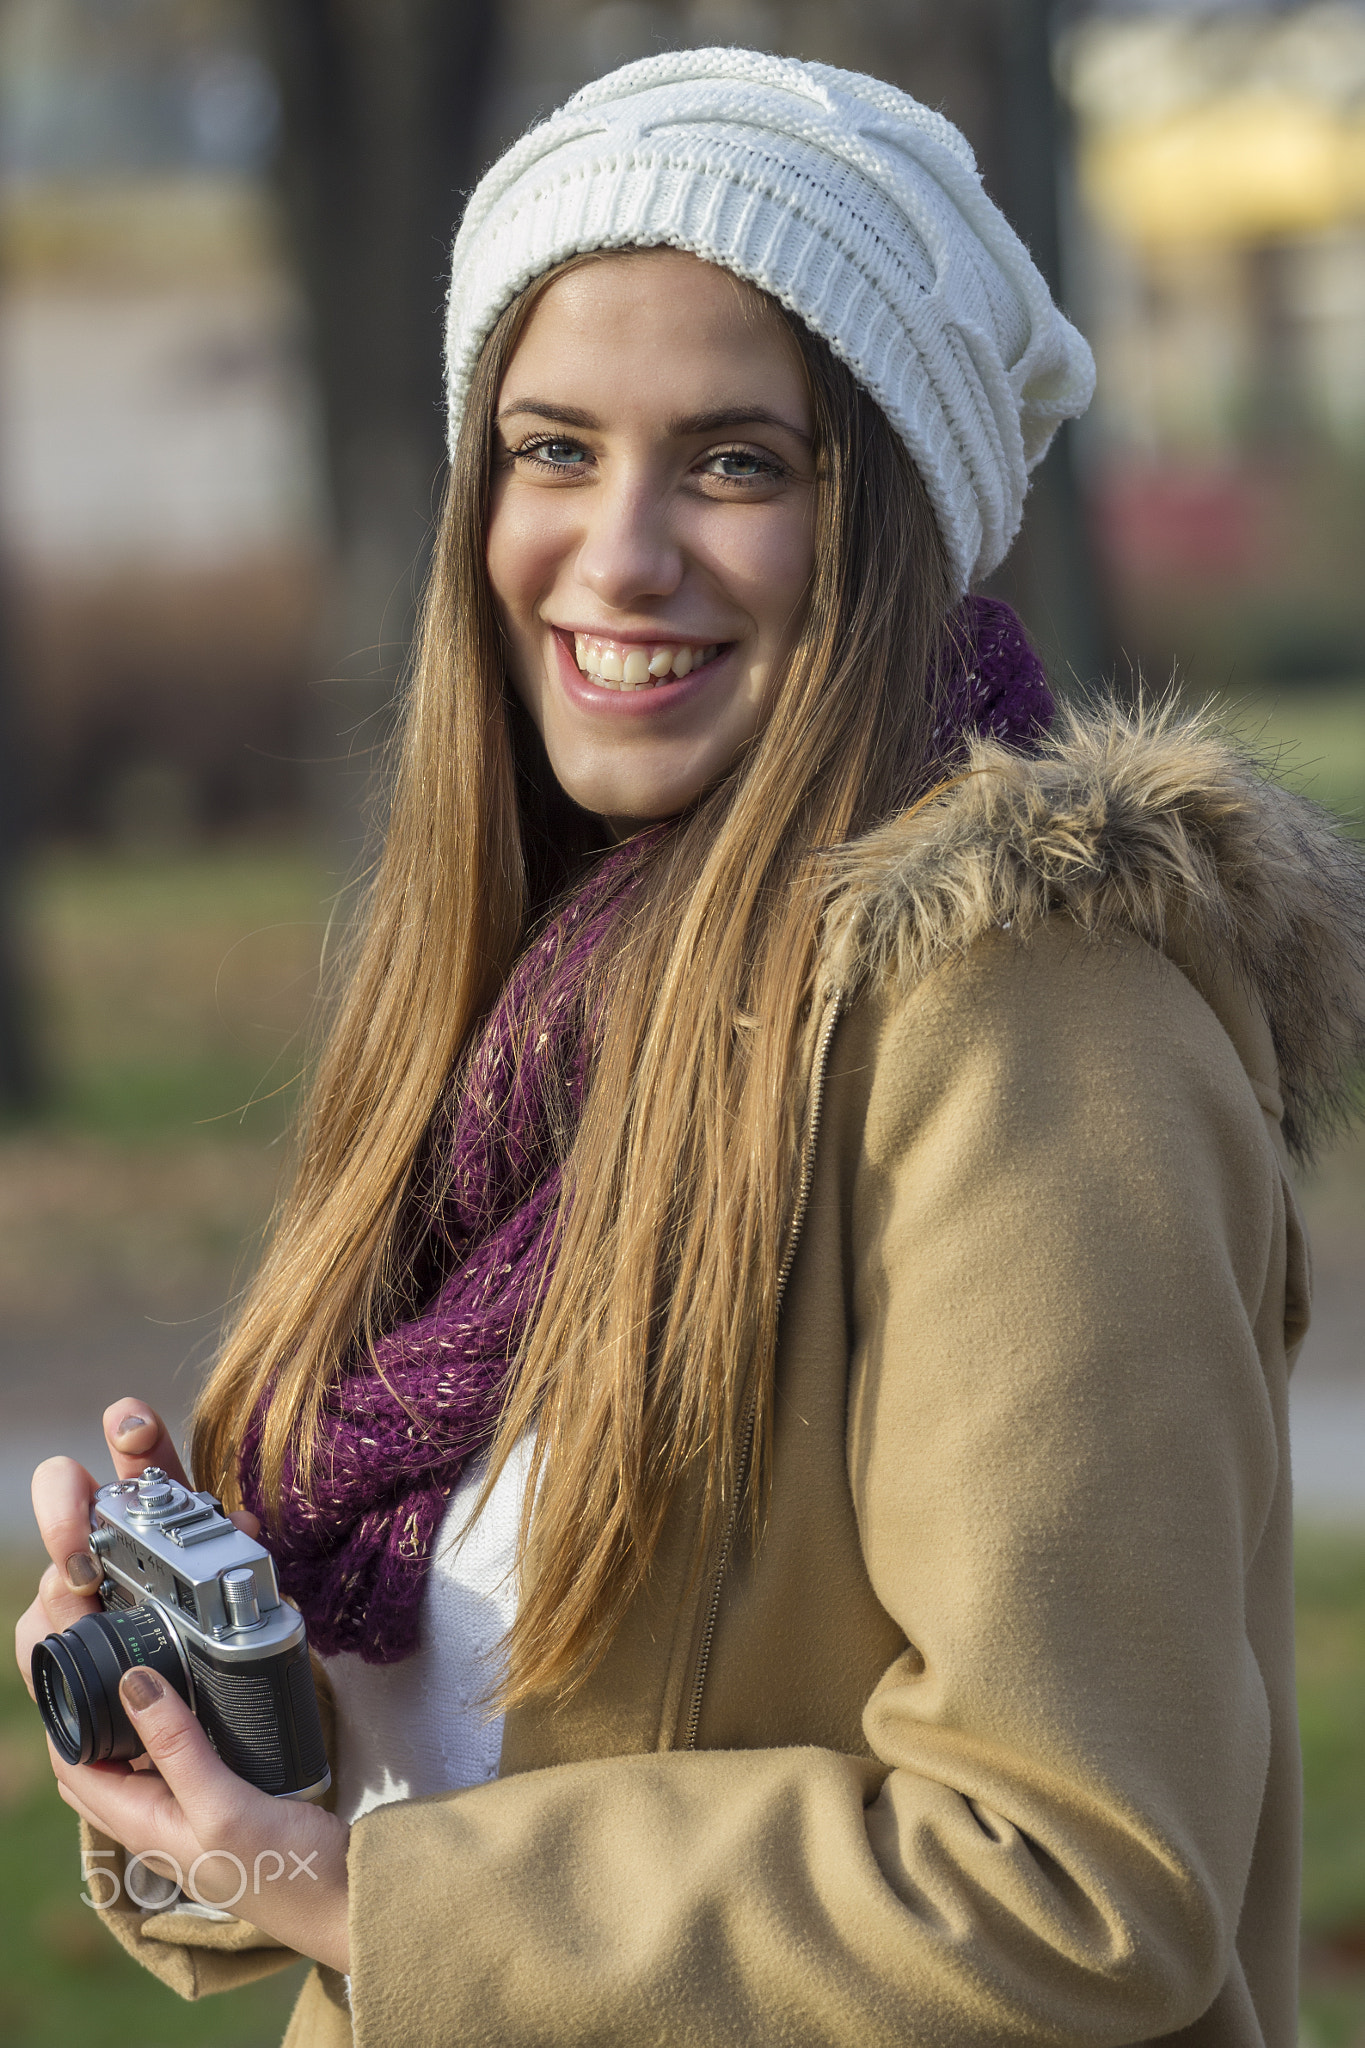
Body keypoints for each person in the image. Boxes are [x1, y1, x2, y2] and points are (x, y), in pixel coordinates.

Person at [16, 46, 1365, 2048]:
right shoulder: (526, 1002)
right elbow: (472, 1766)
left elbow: (1076, 1877)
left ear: (887, 519)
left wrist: (361, 1892)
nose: (617, 550)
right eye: (551, 448)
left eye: (733, 460)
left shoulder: (1024, 1024)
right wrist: (209, 1750)